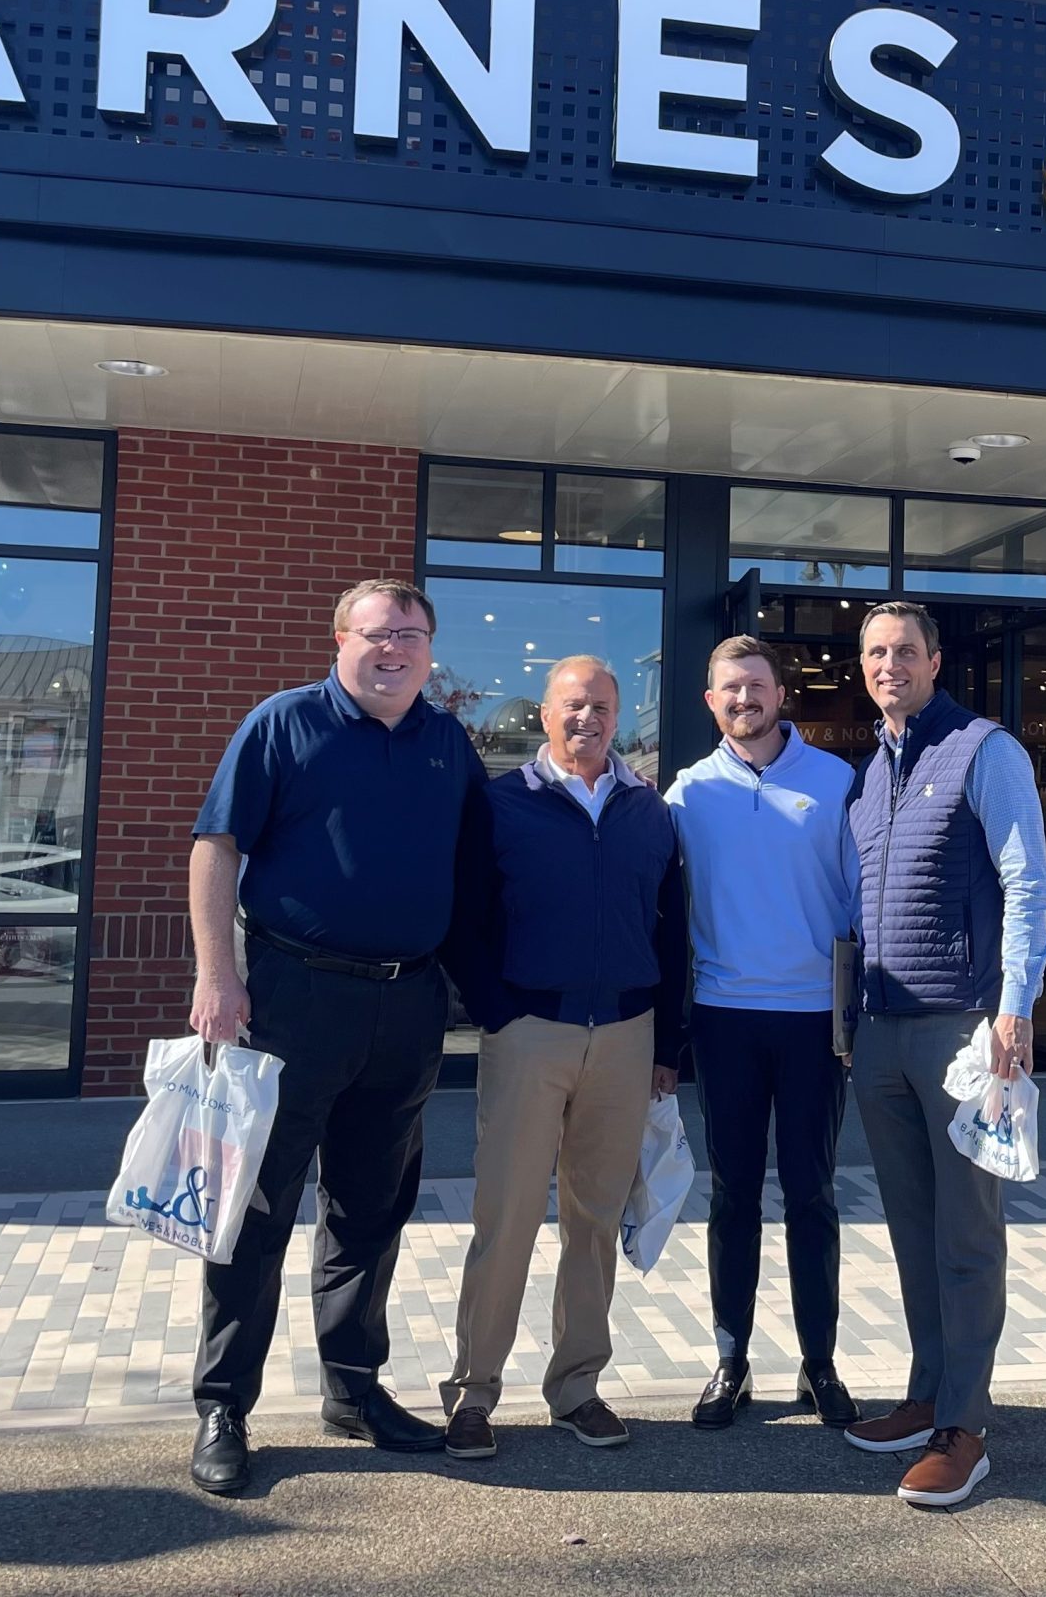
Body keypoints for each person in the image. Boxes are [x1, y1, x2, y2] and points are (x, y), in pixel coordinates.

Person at [184, 579, 492, 1497]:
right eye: (377, 633)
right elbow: (215, 848)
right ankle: (223, 1404)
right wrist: (216, 976)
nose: (394, 648)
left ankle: (353, 1390)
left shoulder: (447, 742)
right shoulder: (282, 724)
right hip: (289, 999)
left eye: (412, 634)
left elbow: (481, 869)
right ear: (339, 639)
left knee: (371, 1208)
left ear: (431, 652)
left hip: (407, 1007)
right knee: (257, 1208)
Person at [441, 655, 690, 1459]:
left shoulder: (650, 812)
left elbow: (670, 932)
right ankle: (474, 1393)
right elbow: (463, 921)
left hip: (625, 1038)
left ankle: (577, 1387)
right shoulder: (498, 804)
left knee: (593, 1224)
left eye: (603, 708)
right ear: (545, 715)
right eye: (574, 706)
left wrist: (667, 1046)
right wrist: (498, 1013)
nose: (588, 719)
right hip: (529, 1034)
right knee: (506, 1218)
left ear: (619, 718)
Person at [839, 601, 1046, 1509]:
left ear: (934, 660)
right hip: (880, 1034)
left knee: (966, 1235)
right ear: (864, 667)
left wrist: (1014, 1010)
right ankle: (927, 1398)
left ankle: (966, 1427)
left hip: (961, 1030)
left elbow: (1025, 882)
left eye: (905, 652)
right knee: (914, 1232)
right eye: (875, 653)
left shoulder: (984, 750)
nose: (890, 665)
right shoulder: (869, 772)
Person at [664, 634, 860, 1431]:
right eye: (728, 689)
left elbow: (860, 903)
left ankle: (819, 1364)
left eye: (756, 685)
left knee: (812, 1195)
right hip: (724, 1019)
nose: (743, 699)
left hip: (815, 1020)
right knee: (732, 1194)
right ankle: (731, 1358)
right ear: (710, 702)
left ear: (782, 695)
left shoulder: (839, 782)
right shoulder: (685, 794)